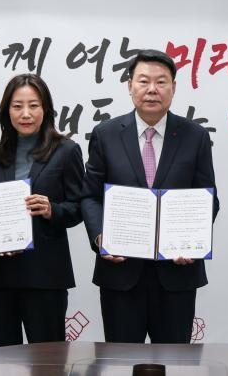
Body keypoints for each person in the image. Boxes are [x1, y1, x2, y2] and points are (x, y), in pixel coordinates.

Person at [81, 49, 220, 343]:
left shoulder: (195, 136)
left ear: (173, 88)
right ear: (130, 85)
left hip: (176, 273)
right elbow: (90, 196)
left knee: (174, 360)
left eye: (161, 82)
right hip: (120, 272)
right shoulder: (106, 134)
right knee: (120, 360)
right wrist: (100, 237)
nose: (152, 89)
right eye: (144, 81)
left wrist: (191, 241)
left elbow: (208, 199)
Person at [0, 74, 84, 347]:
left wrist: (51, 210)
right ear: (6, 111)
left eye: (33, 105)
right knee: (1, 359)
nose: (25, 114)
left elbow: (79, 207)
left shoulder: (67, 151)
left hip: (45, 275)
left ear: (45, 109)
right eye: (17, 106)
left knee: (48, 361)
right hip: (1, 275)